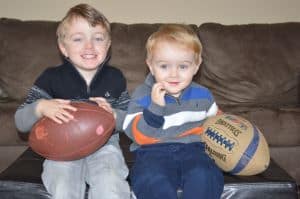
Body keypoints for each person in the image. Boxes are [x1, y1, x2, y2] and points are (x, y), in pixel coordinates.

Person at [14, 4, 131, 199]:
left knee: (111, 184)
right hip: (60, 148)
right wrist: (40, 107)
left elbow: (130, 121)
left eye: (98, 38)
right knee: (62, 183)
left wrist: (114, 115)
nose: (89, 46)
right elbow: (20, 121)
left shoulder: (116, 77)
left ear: (108, 45)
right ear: (63, 47)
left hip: (105, 146)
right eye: (78, 39)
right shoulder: (50, 78)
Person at [123, 24, 224, 199]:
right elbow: (137, 135)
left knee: (205, 175)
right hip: (152, 151)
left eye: (183, 67)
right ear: (151, 66)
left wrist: (234, 128)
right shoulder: (142, 95)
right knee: (151, 179)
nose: (174, 74)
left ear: (196, 65)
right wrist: (155, 107)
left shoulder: (203, 94)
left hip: (194, 149)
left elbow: (218, 121)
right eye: (164, 66)